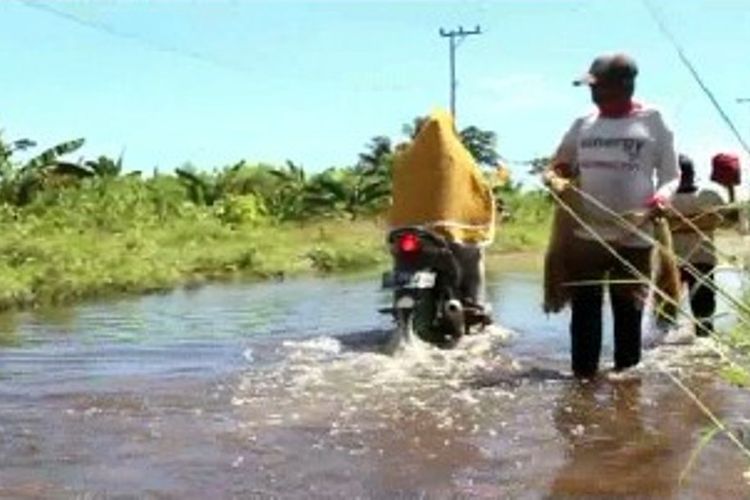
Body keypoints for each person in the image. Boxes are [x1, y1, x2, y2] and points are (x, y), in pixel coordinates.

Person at [545, 53, 680, 378]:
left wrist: (662, 197)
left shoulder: (654, 120)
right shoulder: (583, 124)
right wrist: (555, 177)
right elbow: (559, 164)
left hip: (636, 235)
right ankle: (583, 382)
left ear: (625, 85)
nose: (592, 93)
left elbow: (670, 174)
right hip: (585, 236)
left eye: (599, 86)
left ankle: (626, 388)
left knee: (628, 315)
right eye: (591, 86)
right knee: (585, 317)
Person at [388, 109, 495, 323]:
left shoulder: (404, 159)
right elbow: (480, 190)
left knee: (402, 264)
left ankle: (401, 307)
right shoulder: (462, 158)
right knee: (473, 260)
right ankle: (475, 303)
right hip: (452, 232)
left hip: (407, 233)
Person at [669, 154, 728, 336]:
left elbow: (660, 226)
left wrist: (676, 223)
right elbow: (717, 220)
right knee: (704, 318)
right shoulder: (709, 196)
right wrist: (697, 221)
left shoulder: (665, 201)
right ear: (692, 173)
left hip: (674, 261)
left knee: (665, 316)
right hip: (702, 260)